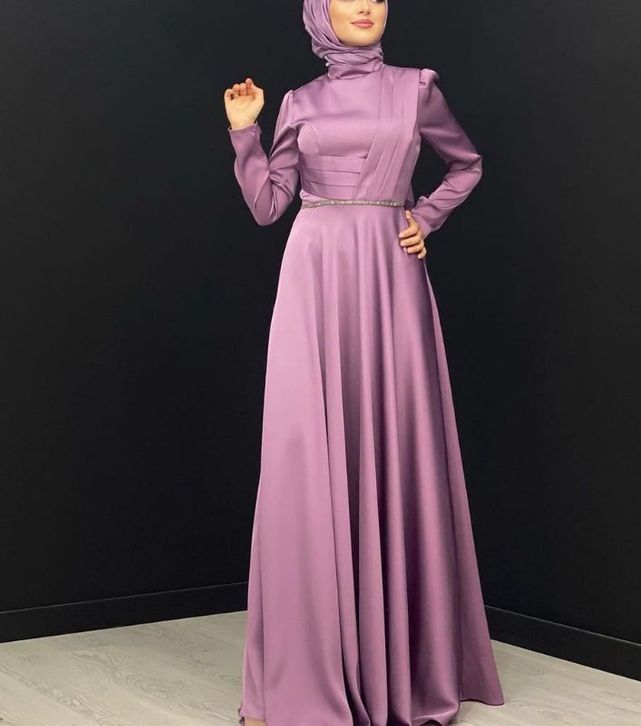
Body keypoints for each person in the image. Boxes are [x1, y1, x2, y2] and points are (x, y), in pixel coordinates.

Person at [222, 1, 505, 724]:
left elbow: (466, 164)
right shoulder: (297, 102)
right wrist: (245, 132)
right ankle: (301, 677)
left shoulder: (416, 88)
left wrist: (424, 216)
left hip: (388, 276)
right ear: (319, 10)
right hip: (314, 278)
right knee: (304, 460)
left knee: (395, 446)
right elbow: (269, 205)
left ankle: (400, 673)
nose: (366, 5)